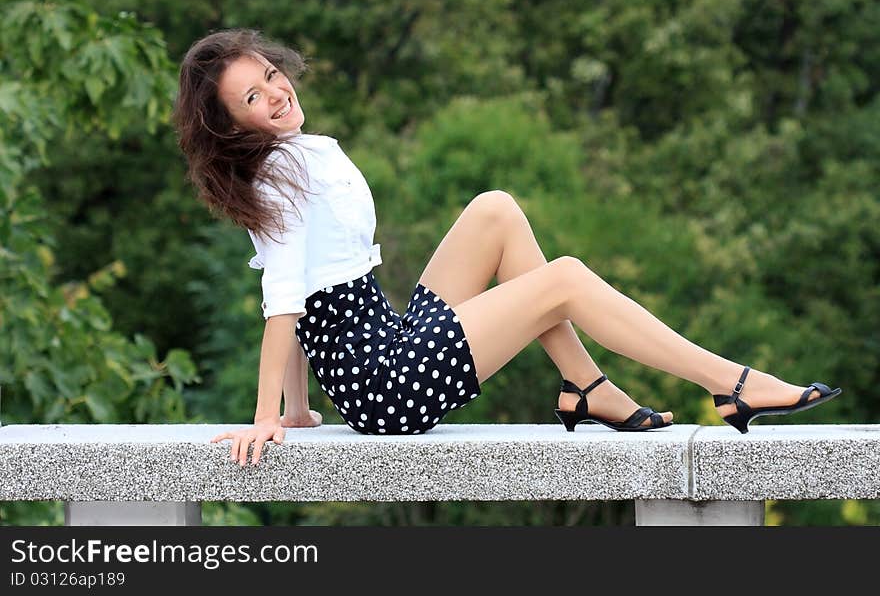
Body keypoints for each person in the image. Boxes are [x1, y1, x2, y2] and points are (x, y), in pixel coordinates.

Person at [172, 28, 841, 467]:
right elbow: (284, 303)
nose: (275, 96)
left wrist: (297, 411)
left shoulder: (290, 159)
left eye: (267, 76)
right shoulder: (282, 174)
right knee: (568, 277)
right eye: (251, 98)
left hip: (385, 352)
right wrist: (269, 418)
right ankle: (732, 383)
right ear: (231, 126)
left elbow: (303, 290)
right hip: (387, 386)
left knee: (495, 210)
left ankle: (588, 387)